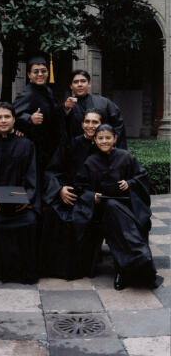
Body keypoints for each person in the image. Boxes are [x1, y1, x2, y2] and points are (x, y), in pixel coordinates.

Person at [76, 124, 162, 290]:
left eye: (108, 137)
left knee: (115, 210)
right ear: (94, 140)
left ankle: (123, 269)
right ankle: (136, 259)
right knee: (110, 206)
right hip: (100, 211)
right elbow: (80, 186)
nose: (104, 141)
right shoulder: (89, 161)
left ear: (115, 139)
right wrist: (91, 196)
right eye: (100, 138)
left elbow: (142, 177)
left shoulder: (126, 157)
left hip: (127, 207)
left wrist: (130, 183)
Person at [0, 102, 40, 284]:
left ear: (14, 119)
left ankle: (25, 273)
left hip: (21, 202)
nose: (3, 120)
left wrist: (27, 199)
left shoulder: (27, 144)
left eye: (7, 116)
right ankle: (3, 271)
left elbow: (33, 175)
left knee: (30, 221)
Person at [40, 110, 103, 280]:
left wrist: (88, 197)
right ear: (82, 124)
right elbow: (52, 170)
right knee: (51, 213)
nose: (90, 126)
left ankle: (77, 268)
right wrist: (59, 189)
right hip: (67, 193)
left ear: (101, 125)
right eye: (87, 122)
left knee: (79, 218)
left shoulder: (104, 146)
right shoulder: (70, 144)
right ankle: (54, 268)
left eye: (95, 122)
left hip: (90, 198)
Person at [13, 55, 65, 171]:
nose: (40, 74)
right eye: (35, 72)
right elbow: (13, 114)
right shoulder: (28, 93)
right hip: (35, 145)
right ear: (29, 75)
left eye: (43, 71)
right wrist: (30, 118)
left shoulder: (47, 90)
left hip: (48, 143)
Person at [64, 69, 126, 149]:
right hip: (78, 150)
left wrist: (111, 144)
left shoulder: (104, 103)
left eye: (83, 81)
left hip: (101, 149)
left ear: (89, 84)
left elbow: (118, 125)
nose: (80, 85)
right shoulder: (67, 107)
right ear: (71, 86)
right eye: (76, 82)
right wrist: (65, 109)